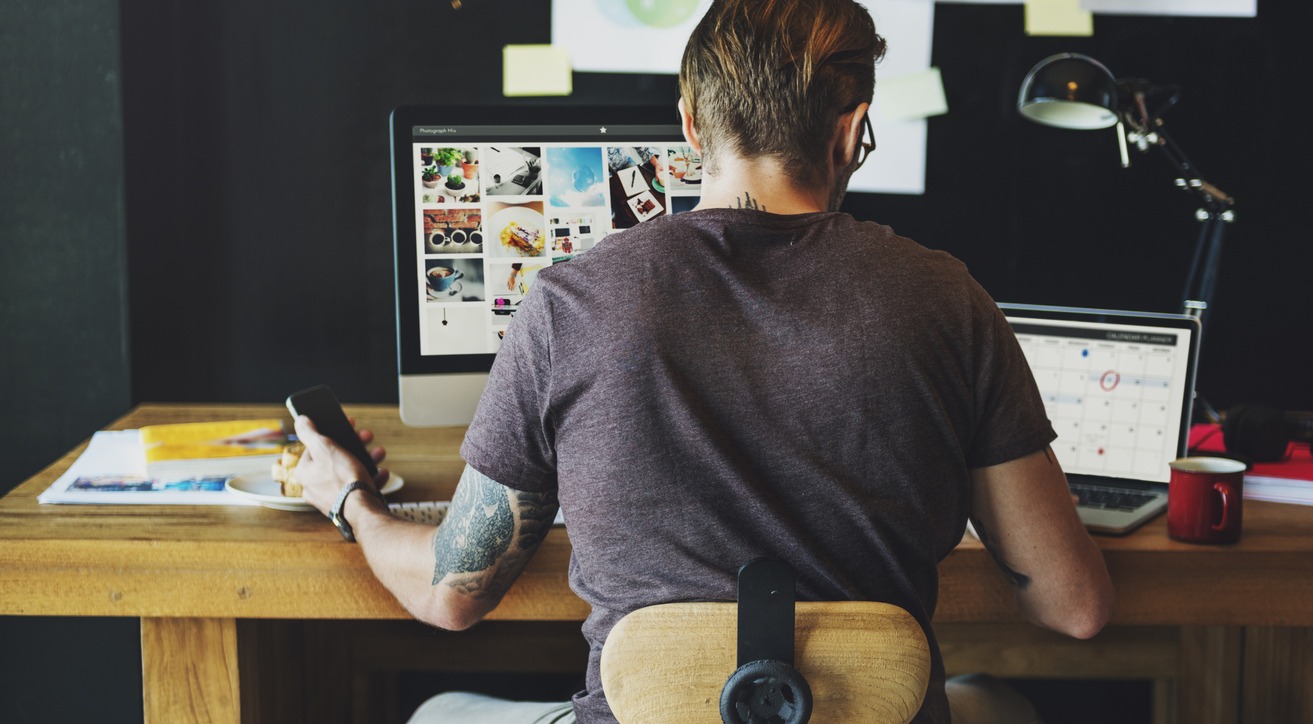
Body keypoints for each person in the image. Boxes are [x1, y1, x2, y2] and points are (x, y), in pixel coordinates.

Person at [294, 1, 1112, 722]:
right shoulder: (946, 299)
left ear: (689, 124)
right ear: (850, 129)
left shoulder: (570, 302)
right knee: (996, 702)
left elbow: (451, 596)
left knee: (439, 712)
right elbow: (1074, 607)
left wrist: (353, 503)